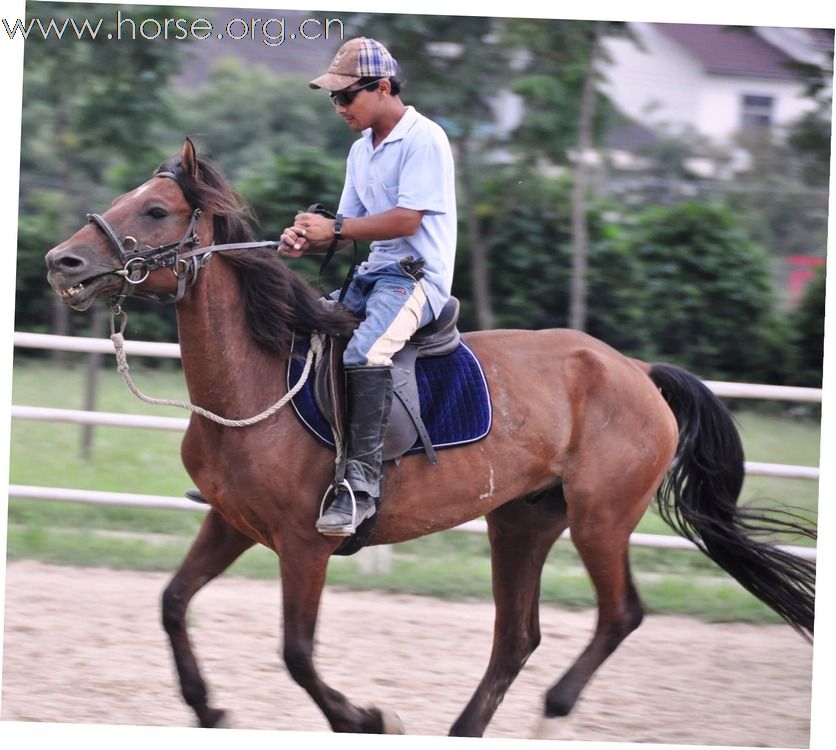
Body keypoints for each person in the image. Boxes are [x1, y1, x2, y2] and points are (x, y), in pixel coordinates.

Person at [279, 37, 457, 537]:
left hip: (417, 279)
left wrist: (332, 231)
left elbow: (405, 221)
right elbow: (349, 222)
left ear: (381, 88)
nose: (338, 108)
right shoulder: (362, 151)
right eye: (332, 98)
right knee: (294, 332)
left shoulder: (426, 139)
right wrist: (306, 238)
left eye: (344, 96)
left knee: (364, 355)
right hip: (372, 276)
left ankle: (360, 488)